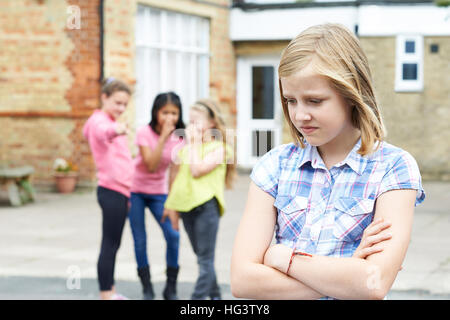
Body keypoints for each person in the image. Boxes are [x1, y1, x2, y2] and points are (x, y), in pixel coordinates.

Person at [230, 23, 426, 300]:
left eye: (314, 101)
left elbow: (373, 284)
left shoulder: (393, 168)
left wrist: (283, 258)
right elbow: (243, 281)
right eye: (290, 101)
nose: (299, 115)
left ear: (351, 94)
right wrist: (345, 276)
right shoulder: (273, 167)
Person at [162, 99, 236, 300]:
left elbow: (197, 170)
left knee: (204, 260)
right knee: (203, 259)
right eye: (190, 122)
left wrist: (193, 143)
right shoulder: (186, 150)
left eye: (197, 121)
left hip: (206, 208)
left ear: (211, 123)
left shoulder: (220, 149)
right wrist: (171, 208)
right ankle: (216, 296)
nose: (191, 126)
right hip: (187, 208)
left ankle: (196, 300)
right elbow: (179, 180)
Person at [128, 92, 185, 300]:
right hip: (134, 190)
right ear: (156, 113)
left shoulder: (180, 137)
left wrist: (173, 204)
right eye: (165, 112)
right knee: (140, 240)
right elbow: (151, 165)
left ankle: (171, 287)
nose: (169, 117)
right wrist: (163, 136)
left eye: (174, 113)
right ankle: (147, 287)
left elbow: (175, 172)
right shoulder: (144, 133)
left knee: (173, 235)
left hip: (158, 193)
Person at [83, 77, 133, 300]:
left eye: (125, 104)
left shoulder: (107, 120)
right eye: (117, 102)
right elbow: (104, 131)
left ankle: (110, 291)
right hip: (111, 190)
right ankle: (106, 294)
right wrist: (117, 129)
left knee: (113, 243)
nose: (121, 108)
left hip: (121, 190)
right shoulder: (100, 122)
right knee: (110, 244)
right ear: (104, 97)